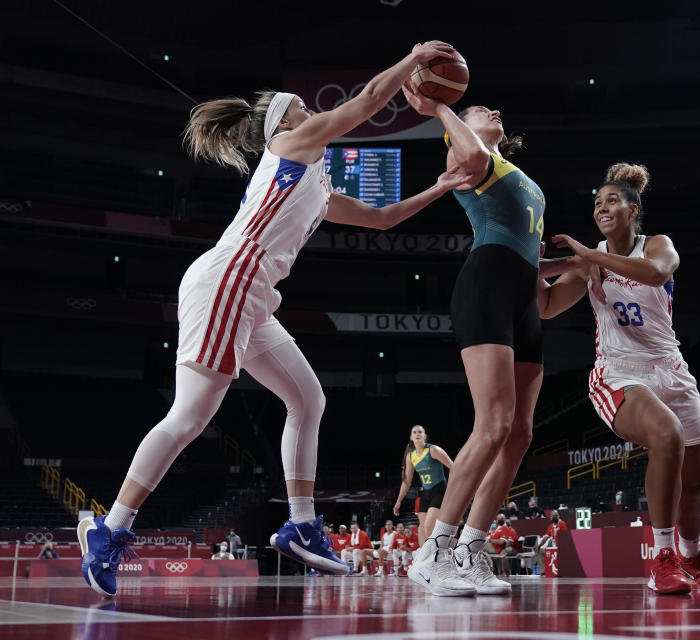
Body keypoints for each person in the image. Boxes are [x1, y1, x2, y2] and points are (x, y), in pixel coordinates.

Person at [74, 41, 470, 598]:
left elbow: (381, 218)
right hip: (231, 279)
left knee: (308, 400)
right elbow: (364, 105)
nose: (312, 110)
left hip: (253, 292)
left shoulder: (316, 181)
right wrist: (411, 59)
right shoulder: (290, 142)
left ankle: (301, 524)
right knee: (189, 416)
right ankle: (111, 531)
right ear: (283, 119)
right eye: (303, 105)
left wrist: (442, 186)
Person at [401, 82, 569, 596]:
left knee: (519, 434)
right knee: (492, 424)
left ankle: (472, 551)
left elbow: (540, 283)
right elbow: (469, 149)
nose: (495, 109)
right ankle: (434, 552)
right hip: (486, 286)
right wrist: (440, 109)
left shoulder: (525, 180)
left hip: (522, 294)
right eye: (481, 109)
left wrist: (586, 265)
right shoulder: (466, 157)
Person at [536, 162, 700, 594]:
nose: (602, 208)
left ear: (632, 208)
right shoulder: (587, 265)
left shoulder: (656, 245)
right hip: (619, 371)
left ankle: (692, 557)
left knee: (695, 480)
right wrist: (526, 256)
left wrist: (589, 256)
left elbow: (658, 273)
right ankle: (662, 560)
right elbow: (546, 305)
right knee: (667, 435)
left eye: (611, 201)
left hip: (672, 369)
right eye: (597, 203)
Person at [393, 425, 454, 544]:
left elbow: (454, 467)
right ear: (411, 437)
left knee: (429, 528)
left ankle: (441, 554)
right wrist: (398, 501)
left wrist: (452, 487)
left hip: (439, 490)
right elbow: (406, 481)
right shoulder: (410, 456)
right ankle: (432, 556)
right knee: (425, 532)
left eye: (420, 432)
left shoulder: (433, 450)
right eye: (414, 432)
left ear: (424, 436)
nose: (417, 434)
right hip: (425, 494)